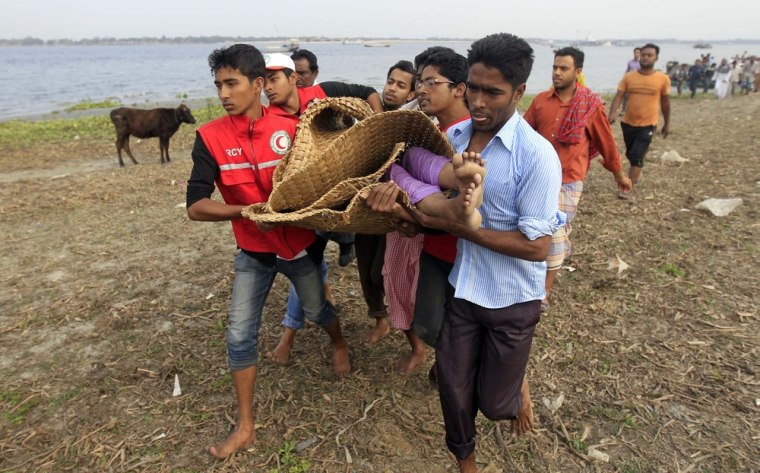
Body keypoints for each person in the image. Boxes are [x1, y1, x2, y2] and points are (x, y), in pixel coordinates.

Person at [371, 33, 564, 473]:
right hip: (464, 289)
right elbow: (424, 185)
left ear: (518, 93)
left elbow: (537, 248)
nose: (478, 100)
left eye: (492, 92)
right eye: (473, 87)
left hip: (513, 301)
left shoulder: (537, 157)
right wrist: (409, 210)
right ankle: (466, 462)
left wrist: (461, 226)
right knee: (453, 392)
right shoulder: (454, 136)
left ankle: (512, 391)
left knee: (495, 404)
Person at [185, 44, 350, 459]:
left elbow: (320, 180)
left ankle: (338, 342)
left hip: (298, 244)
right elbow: (195, 205)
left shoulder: (293, 128)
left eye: (232, 83)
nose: (223, 93)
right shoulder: (209, 137)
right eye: (218, 84)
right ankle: (245, 425)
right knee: (240, 334)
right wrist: (243, 211)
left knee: (316, 310)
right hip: (253, 250)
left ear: (258, 84)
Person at [264, 52, 383, 363]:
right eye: (266, 81)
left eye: (301, 74)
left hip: (342, 194)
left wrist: (377, 126)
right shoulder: (272, 118)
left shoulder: (323, 92)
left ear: (300, 76)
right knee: (308, 265)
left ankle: (345, 250)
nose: (269, 87)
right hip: (310, 206)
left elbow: (366, 92)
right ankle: (293, 336)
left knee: (352, 264)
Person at [523, 47, 632, 312]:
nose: (557, 73)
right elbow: (524, 136)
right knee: (532, 230)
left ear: (578, 72)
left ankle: (543, 293)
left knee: (555, 234)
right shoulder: (540, 101)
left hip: (568, 180)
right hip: (536, 177)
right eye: (554, 67)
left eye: (564, 68)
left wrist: (619, 173)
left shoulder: (590, 105)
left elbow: (606, 143)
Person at [382, 49, 471, 374]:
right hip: (434, 248)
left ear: (459, 89)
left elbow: (455, 208)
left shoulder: (474, 136)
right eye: (419, 81)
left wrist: (413, 217)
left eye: (431, 82)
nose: (421, 89)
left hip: (468, 250)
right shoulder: (430, 132)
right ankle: (452, 362)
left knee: (458, 321)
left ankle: (464, 367)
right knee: (429, 324)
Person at [608, 43, 671, 196]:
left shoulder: (662, 79)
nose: (646, 58)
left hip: (648, 124)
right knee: (631, 154)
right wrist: (612, 112)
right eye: (644, 55)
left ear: (656, 58)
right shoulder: (629, 77)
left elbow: (665, 102)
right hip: (628, 123)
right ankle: (636, 170)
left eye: (650, 55)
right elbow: (619, 96)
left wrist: (667, 124)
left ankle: (627, 187)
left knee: (636, 156)